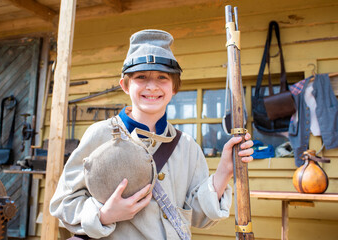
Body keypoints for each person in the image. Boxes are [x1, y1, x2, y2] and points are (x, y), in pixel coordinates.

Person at [50, 29, 254, 240]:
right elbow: (63, 203)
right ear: (125, 85)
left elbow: (199, 216)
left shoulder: (186, 145)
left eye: (162, 77)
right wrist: (103, 215)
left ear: (175, 87)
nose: (152, 86)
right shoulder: (100, 134)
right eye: (141, 77)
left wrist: (224, 171)